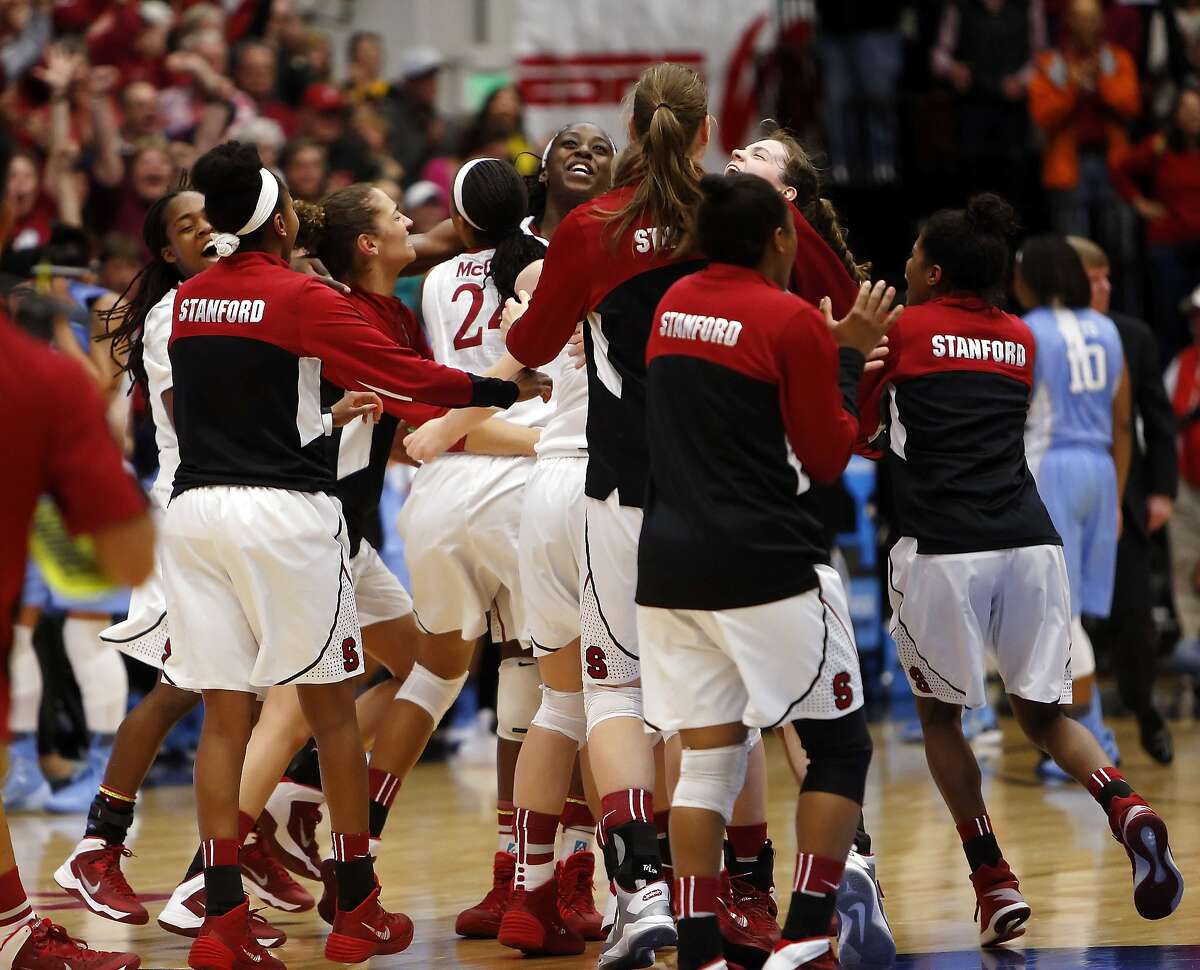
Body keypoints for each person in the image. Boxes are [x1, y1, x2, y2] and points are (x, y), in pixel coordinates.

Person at [160, 140, 549, 970]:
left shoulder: (191, 300)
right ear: (278, 219)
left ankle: (220, 911)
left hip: (194, 512)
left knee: (227, 716)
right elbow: (414, 378)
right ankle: (357, 901)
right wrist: (500, 388)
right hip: (283, 514)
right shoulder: (299, 297)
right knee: (330, 711)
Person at [858, 193, 1183, 948]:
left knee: (941, 719)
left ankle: (992, 879)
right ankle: (1126, 806)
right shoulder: (1017, 338)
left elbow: (868, 440)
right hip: (1030, 544)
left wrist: (859, 356)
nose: (902, 267)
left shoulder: (904, 330)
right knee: (1045, 716)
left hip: (943, 546)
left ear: (933, 272)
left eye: (910, 256)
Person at [638, 171, 896, 970]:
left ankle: (700, 950)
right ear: (781, 239)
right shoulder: (790, 321)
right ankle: (809, 934)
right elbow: (826, 458)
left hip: (669, 568)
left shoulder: (670, 306)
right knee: (840, 750)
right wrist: (848, 357)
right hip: (765, 564)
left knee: (707, 760)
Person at [504, 61, 714, 969]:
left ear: (632, 126)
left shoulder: (589, 230)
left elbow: (525, 347)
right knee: (720, 705)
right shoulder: (737, 212)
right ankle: (751, 891)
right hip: (725, 489)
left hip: (617, 488)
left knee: (606, 696)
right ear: (704, 135)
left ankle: (638, 891)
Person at [403, 122, 617, 956]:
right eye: (570, 142)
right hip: (545, 473)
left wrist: (441, 427)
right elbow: (512, 378)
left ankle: (556, 874)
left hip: (541, 475)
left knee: (547, 692)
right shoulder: (524, 254)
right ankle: (552, 875)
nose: (584, 153)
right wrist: (451, 422)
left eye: (601, 147)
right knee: (578, 693)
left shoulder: (609, 239)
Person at [724, 128, 896, 968]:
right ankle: (811, 874)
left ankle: (824, 877)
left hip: (784, 489)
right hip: (762, 492)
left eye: (757, 153)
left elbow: (851, 378)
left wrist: (853, 362)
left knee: (794, 709)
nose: (736, 157)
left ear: (787, 199)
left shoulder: (807, 267)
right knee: (779, 708)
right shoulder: (746, 254)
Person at [2, 121, 154, 969]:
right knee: (75, 620)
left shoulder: (80, 316)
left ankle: (42, 771)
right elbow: (97, 395)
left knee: (52, 621)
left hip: (62, 486)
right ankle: (63, 768)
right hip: (72, 487)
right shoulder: (57, 346)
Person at [1016, 233, 1130, 774]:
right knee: (1076, 609)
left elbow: (1018, 412)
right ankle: (1096, 730)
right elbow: (1121, 418)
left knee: (1057, 612)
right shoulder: (1108, 329)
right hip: (1102, 470)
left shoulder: (1031, 331)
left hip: (1053, 464)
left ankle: (1086, 737)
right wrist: (1119, 493)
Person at [1068, 235, 1178, 765]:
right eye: (1093, 279)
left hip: (1123, 499)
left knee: (1135, 617)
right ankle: (1074, 733)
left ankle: (1145, 708)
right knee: (1068, 622)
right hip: (1064, 498)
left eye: (1108, 277)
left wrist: (1161, 490)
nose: (1106, 287)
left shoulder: (1131, 335)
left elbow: (1154, 423)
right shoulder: (1041, 335)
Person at [1029, 0, 1139, 312]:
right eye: (1081, 19)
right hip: (1069, 166)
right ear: (1068, 23)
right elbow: (1043, 116)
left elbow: (1130, 105)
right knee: (1073, 252)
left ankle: (1120, 315)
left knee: (1121, 249)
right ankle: (1075, 313)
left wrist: (1100, 80)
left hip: (1111, 163)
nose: (1088, 26)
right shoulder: (1051, 63)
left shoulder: (1116, 60)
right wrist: (1074, 85)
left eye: (1094, 19)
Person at [1112, 84, 1200, 362]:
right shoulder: (1159, 146)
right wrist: (1140, 203)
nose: (1193, 114)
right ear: (1175, 113)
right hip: (1168, 246)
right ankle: (1168, 389)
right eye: (1186, 107)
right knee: (1170, 324)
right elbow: (1119, 169)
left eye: (1197, 107)